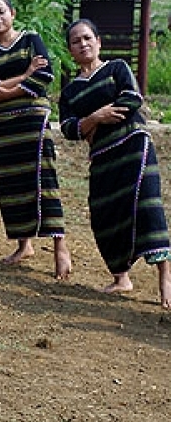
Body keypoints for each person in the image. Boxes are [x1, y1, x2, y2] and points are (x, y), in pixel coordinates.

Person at [59, 19, 171, 309]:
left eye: (87, 38)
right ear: (70, 49)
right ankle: (121, 277)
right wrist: (95, 118)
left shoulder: (117, 68)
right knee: (104, 214)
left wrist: (92, 122)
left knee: (147, 208)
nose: (83, 44)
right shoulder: (70, 91)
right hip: (102, 159)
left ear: (98, 41)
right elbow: (69, 128)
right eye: (76, 41)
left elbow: (131, 99)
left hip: (134, 147)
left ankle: (165, 278)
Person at [0, 0, 71, 279]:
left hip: (33, 124)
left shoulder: (31, 40)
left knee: (44, 181)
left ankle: (60, 247)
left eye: (1, 11)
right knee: (11, 185)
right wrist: (23, 76)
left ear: (12, 13)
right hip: (3, 129)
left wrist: (4, 88)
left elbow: (43, 79)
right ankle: (24, 245)